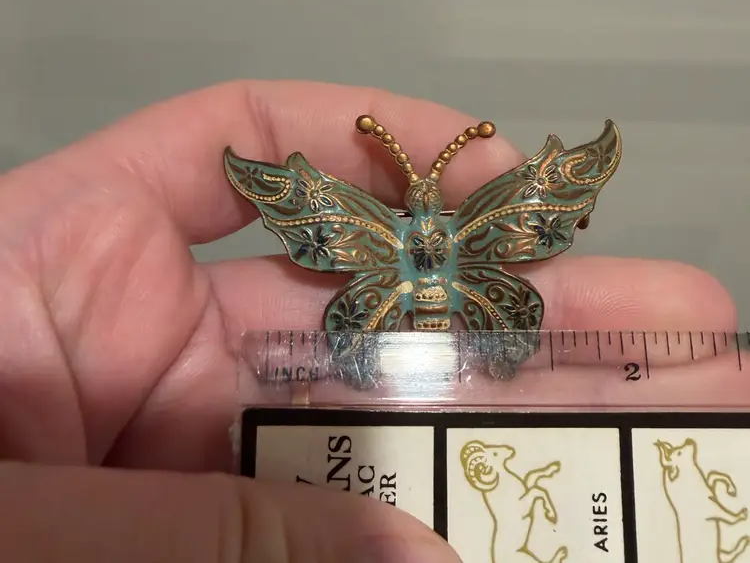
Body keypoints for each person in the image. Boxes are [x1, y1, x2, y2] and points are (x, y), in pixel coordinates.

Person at [0, 80, 737, 562]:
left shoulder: (394, 225)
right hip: (451, 296)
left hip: (392, 300)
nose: (424, 218)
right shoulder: (443, 220)